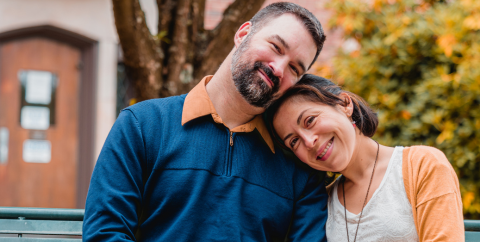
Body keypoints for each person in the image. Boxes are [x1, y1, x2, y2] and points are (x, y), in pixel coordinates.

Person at [83, 3, 329, 241]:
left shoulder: (297, 164)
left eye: (295, 69)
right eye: (276, 47)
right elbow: (105, 233)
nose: (278, 69)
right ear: (243, 34)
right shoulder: (142, 125)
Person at [270, 74, 464, 241]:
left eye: (310, 120)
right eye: (294, 141)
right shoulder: (321, 204)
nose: (308, 141)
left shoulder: (422, 165)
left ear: (345, 104)